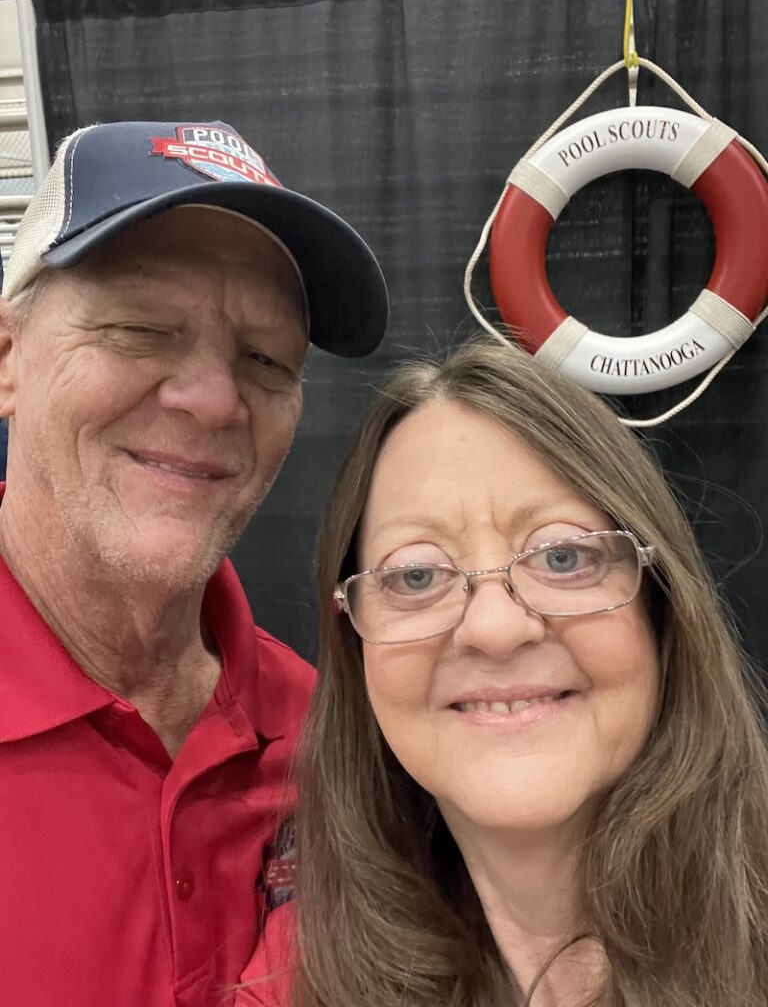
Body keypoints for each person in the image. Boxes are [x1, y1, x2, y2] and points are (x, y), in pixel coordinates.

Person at [239, 339, 768, 1007]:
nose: (494, 628)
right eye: (416, 575)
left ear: (660, 610)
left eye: (563, 557)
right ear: (353, 643)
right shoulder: (295, 975)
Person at [0, 119, 388, 1007]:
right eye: (140, 329)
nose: (215, 401)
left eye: (266, 358)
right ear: (8, 358)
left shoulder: (326, 736)